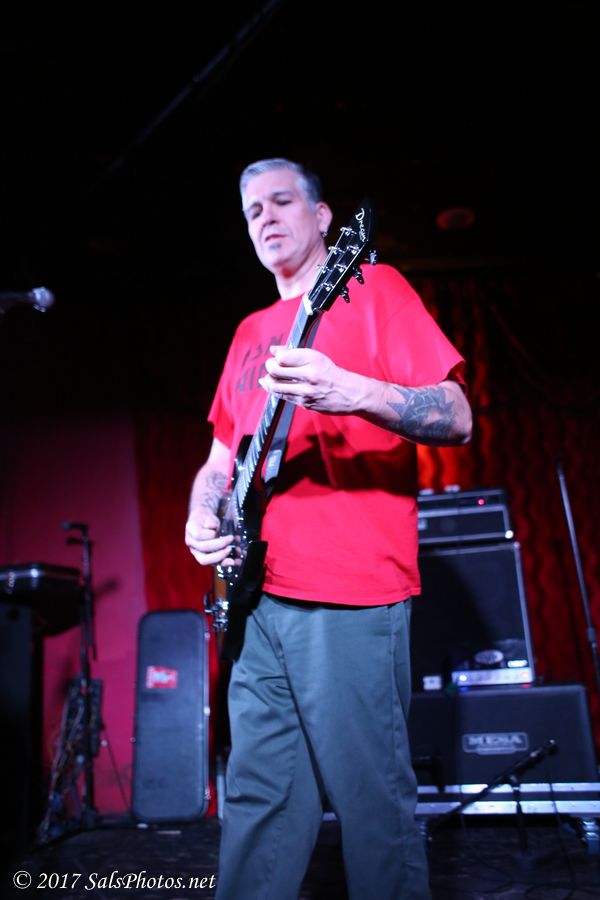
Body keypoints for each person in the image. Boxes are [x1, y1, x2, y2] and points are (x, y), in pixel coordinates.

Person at [185, 157, 472, 900]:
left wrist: (353, 391)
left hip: (350, 591)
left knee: (373, 807)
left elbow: (457, 415)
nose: (266, 218)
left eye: (282, 202)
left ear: (322, 217)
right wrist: (200, 511)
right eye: (252, 211)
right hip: (256, 597)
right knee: (260, 803)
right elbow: (220, 459)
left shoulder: (375, 288)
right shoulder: (248, 331)